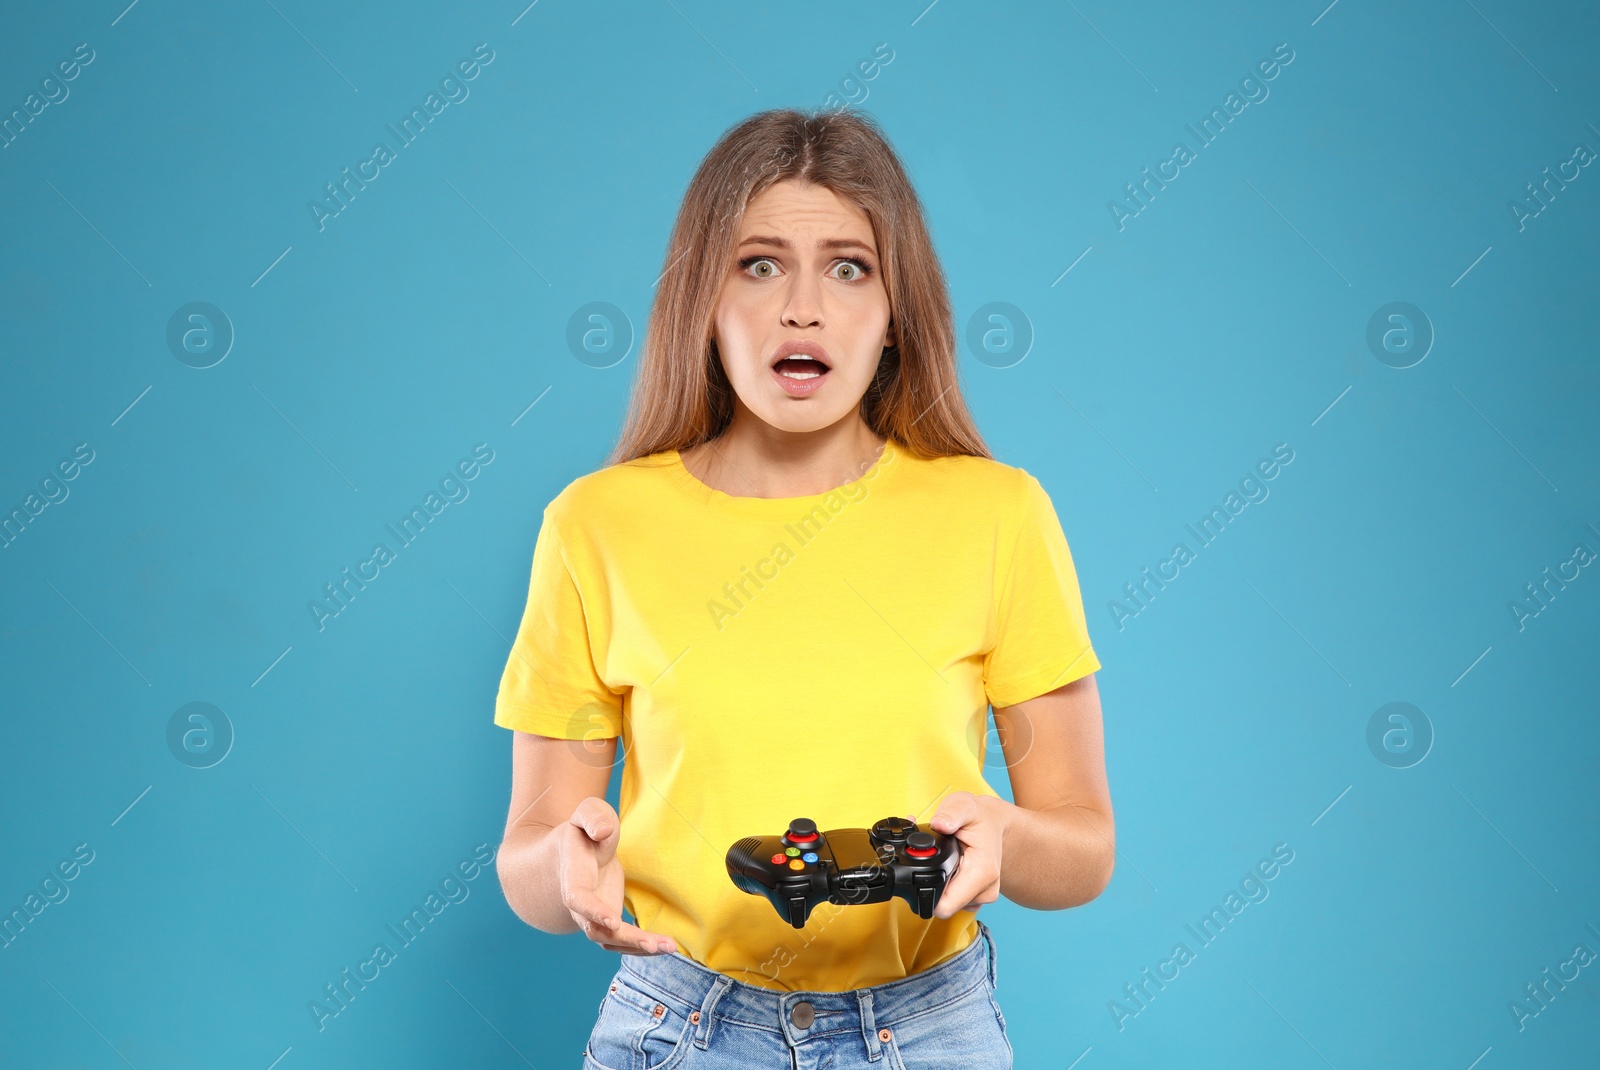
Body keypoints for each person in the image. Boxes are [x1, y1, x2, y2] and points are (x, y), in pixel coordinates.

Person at [493, 107, 1114, 1069]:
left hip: (929, 1028)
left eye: (848, 266)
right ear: (703, 296)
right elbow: (528, 859)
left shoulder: (999, 516)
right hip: (681, 1026)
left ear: (895, 310)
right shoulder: (594, 526)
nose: (803, 308)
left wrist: (1003, 838)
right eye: (758, 263)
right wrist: (563, 869)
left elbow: (1083, 849)